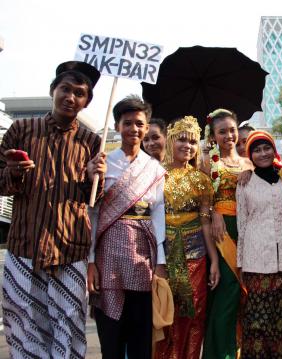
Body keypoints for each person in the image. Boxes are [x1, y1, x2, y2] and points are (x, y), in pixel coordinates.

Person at [0, 60, 106, 358]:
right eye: (65, 89)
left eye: (79, 93)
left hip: (70, 250)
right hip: (25, 246)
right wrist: (14, 171)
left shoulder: (92, 142)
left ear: (86, 102)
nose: (71, 97)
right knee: (23, 323)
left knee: (69, 326)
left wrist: (92, 177)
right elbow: (2, 183)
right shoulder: (22, 130)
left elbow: (95, 201)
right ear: (52, 90)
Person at [87, 95, 167, 359]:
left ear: (146, 127)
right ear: (117, 126)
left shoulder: (154, 168)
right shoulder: (103, 164)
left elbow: (158, 215)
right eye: (128, 123)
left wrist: (161, 261)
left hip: (143, 256)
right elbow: (94, 214)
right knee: (111, 333)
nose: (134, 129)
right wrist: (90, 261)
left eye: (139, 124)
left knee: (141, 335)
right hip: (108, 255)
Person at [154, 116, 220, 359]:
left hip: (196, 257)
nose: (187, 146)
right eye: (181, 139)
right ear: (171, 140)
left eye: (193, 141)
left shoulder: (202, 181)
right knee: (165, 314)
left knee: (194, 315)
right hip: (164, 255)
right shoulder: (156, 175)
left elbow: (205, 222)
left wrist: (213, 261)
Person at [236, 130, 282, 358]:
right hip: (256, 262)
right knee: (256, 324)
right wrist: (241, 264)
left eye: (266, 148)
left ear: (274, 149)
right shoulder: (245, 182)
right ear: (250, 155)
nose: (263, 153)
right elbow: (242, 223)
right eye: (257, 150)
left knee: (281, 324)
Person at [201, 108, 252, 359]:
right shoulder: (208, 163)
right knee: (226, 295)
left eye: (232, 130)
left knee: (243, 297)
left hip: (247, 232)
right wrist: (215, 211)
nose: (229, 136)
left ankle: (237, 350)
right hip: (221, 233)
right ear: (213, 136)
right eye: (222, 132)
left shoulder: (248, 162)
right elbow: (202, 205)